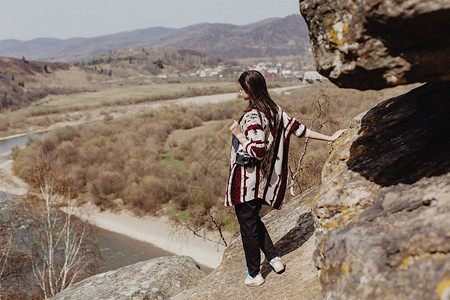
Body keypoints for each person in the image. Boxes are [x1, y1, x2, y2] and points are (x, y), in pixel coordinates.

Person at [226, 70, 345, 286]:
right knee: (253, 221)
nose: (239, 91)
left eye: (242, 88)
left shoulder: (253, 116)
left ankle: (254, 274)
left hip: (246, 181)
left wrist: (239, 134)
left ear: (250, 90)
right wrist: (329, 138)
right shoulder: (274, 111)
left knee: (247, 228)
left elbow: (258, 149)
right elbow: (299, 129)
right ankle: (274, 258)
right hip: (260, 181)